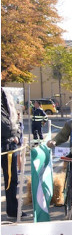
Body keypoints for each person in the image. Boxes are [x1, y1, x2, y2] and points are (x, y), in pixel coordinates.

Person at [1, 88, 30, 220]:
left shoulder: (6, 94)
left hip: (9, 143)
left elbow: (15, 118)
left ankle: (13, 210)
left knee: (12, 179)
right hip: (6, 141)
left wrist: (16, 135)